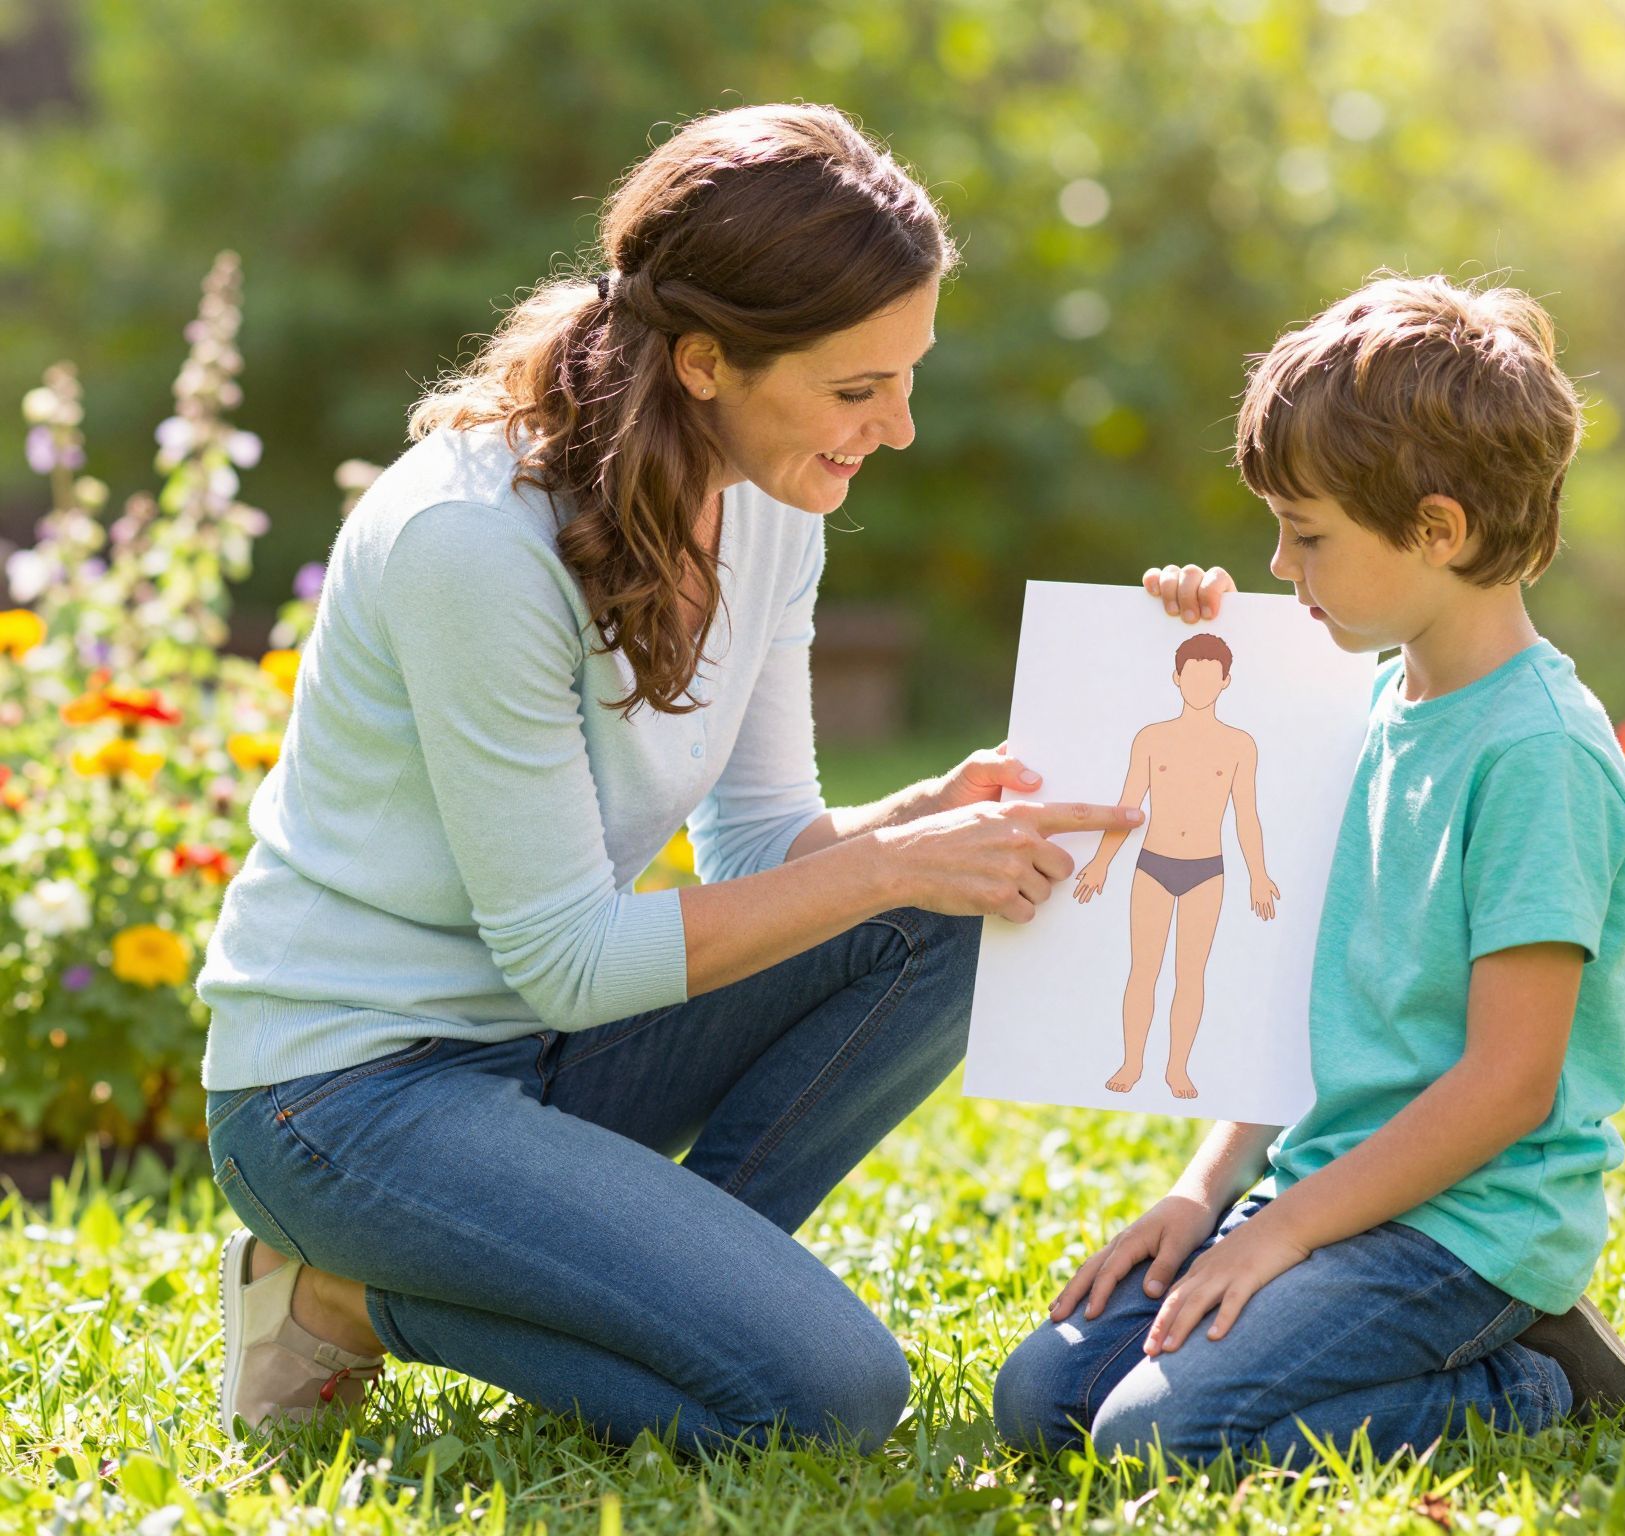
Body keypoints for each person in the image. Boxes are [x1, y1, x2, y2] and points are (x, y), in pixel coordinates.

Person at [198, 103, 1142, 1452]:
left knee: (960, 912)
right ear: (706, 360)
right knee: (827, 1401)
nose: (903, 428)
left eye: (908, 376)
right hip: (348, 1095)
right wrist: (889, 865)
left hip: (547, 1059)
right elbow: (568, 958)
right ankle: (342, 1297)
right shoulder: (471, 540)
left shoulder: (765, 496)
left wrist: (920, 828)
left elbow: (761, 843)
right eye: (859, 388)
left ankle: (659, 1293)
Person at [994, 273, 1625, 1466]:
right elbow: (1291, 1011)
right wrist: (1204, 1199)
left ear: (1437, 530)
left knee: (1160, 1438)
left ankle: (1528, 1386)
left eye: (1305, 536)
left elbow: (1510, 1084)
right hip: (1324, 1192)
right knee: (1042, 1400)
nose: (1275, 565)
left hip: (1461, 1227)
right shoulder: (1345, 701)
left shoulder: (1537, 756)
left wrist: (1280, 1236)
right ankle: (1358, 1324)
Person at [1073, 633, 1279, 1098]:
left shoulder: (1240, 745)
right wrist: (1102, 862)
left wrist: (1259, 875)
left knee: (1191, 973)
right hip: (1153, 865)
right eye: (1192, 675)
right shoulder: (1151, 738)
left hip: (1208, 869)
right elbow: (1128, 805)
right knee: (1142, 970)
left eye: (1211, 677)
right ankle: (1131, 1063)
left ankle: (1178, 1069)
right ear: (1176, 678)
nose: (1201, 685)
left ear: (1226, 681)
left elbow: (1246, 814)